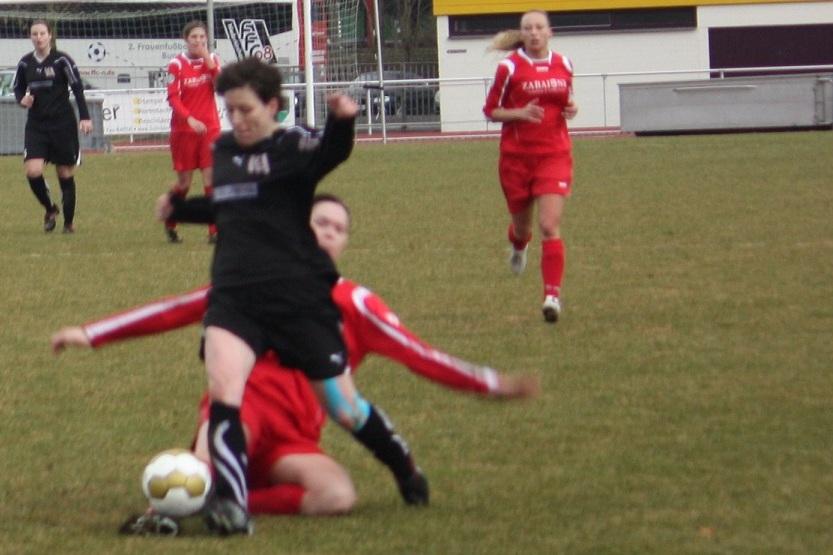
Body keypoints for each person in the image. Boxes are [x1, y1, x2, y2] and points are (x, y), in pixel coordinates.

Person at [51, 194, 539, 535]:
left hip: (293, 442)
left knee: (337, 496)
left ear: (345, 242)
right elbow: (179, 308)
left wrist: (489, 384)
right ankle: (179, 499)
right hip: (237, 415)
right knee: (208, 452)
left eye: (337, 228)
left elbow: (419, 355)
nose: (327, 232)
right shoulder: (257, 281)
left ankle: (214, 501)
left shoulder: (357, 304)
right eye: (317, 222)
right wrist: (92, 333)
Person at [153, 56, 382, 536]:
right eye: (229, 110)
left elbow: (330, 157)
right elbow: (228, 204)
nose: (235, 119)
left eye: (244, 110)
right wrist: (180, 208)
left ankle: (401, 467)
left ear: (273, 105)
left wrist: (342, 122)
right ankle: (230, 506)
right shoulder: (223, 149)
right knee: (224, 393)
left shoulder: (293, 143)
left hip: (293, 293)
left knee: (342, 405)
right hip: (235, 293)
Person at [482, 10, 579, 324]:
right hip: (516, 158)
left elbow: (567, 103)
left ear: (550, 31)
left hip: (554, 155)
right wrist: (520, 114)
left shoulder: (564, 64)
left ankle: (551, 296)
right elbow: (491, 111)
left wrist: (573, 107)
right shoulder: (509, 68)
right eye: (528, 28)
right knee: (523, 229)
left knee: (549, 225)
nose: (534, 33)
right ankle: (518, 245)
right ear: (522, 34)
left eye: (539, 27)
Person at [13, 19, 92, 234]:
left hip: (62, 124)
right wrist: (22, 100)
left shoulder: (62, 60)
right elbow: (18, 89)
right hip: (37, 125)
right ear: (31, 37)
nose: (38, 38)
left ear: (50, 35)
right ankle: (50, 209)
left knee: (65, 172)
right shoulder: (25, 63)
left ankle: (68, 224)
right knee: (33, 170)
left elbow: (77, 88)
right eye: (34, 34)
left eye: (42, 33)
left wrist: (84, 116)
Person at [164, 20, 221, 244]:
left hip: (210, 129)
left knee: (211, 179)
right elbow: (173, 97)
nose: (198, 41)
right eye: (194, 37)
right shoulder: (176, 64)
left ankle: (214, 230)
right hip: (184, 131)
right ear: (186, 40)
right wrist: (189, 118)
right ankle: (171, 220)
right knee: (185, 184)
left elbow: (220, 85)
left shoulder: (213, 60)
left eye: (201, 37)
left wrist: (208, 59)